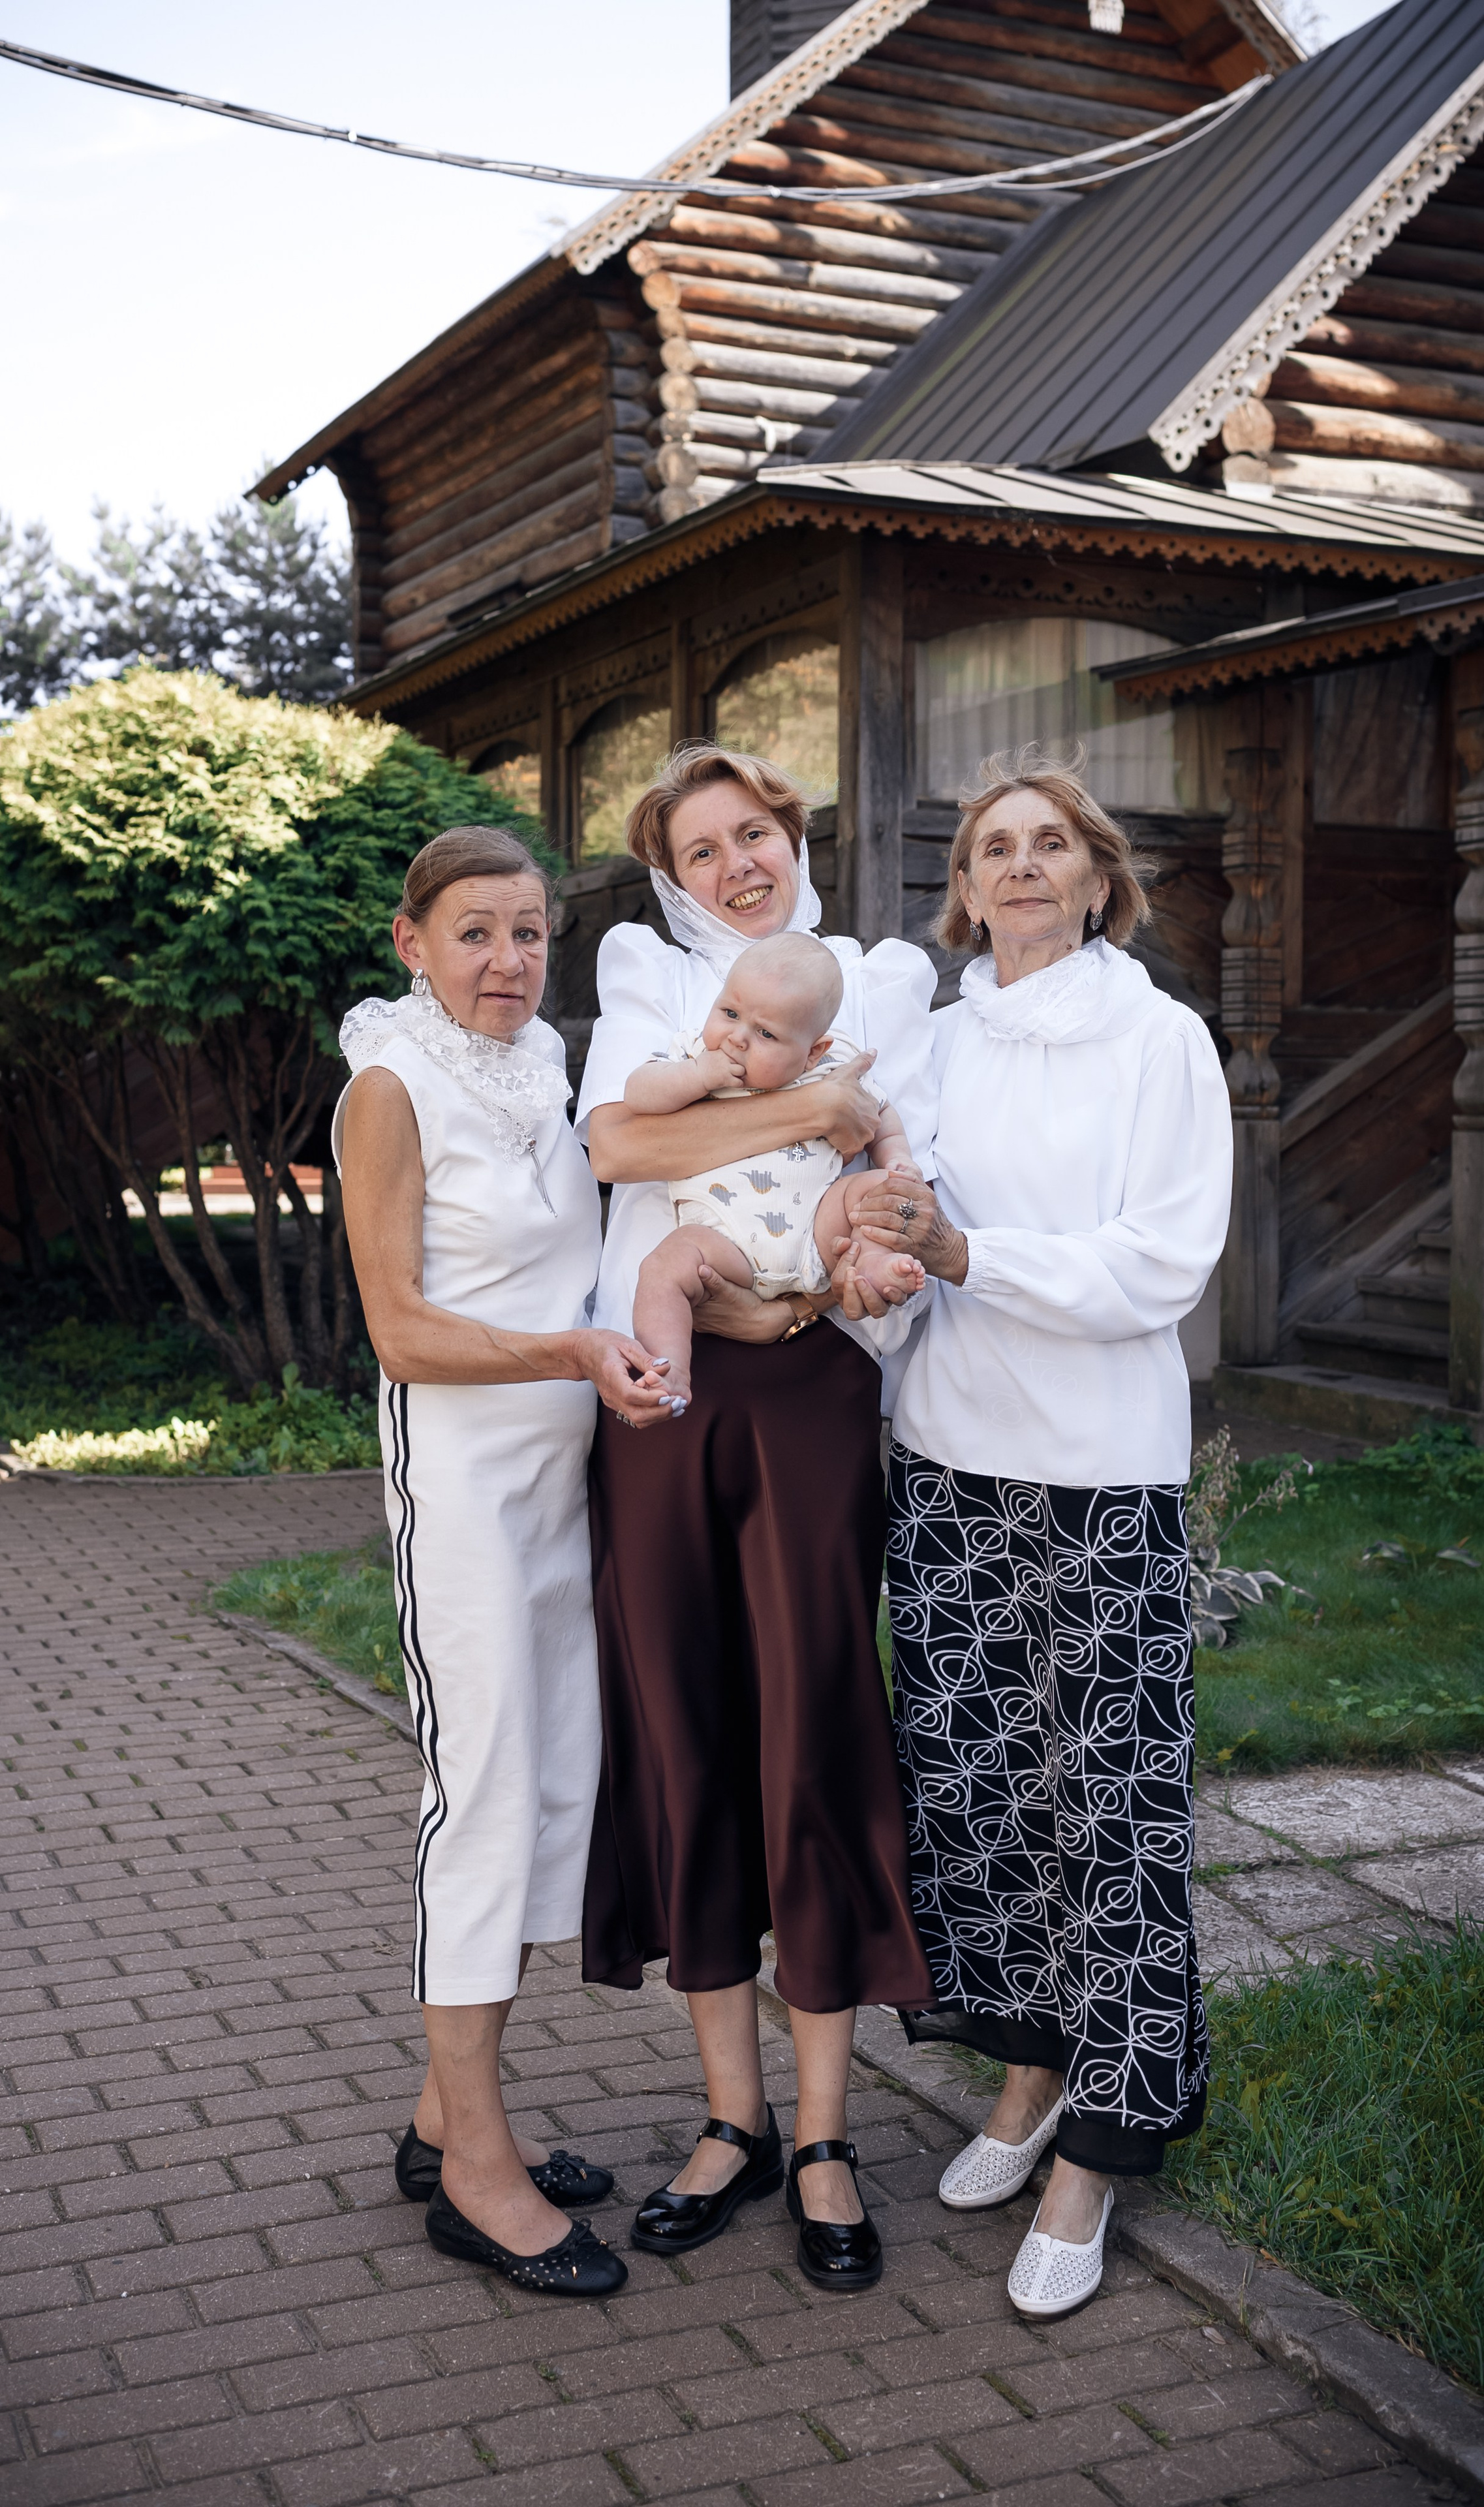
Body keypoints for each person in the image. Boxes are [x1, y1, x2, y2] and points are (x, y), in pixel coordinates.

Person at [846, 749, 1231, 2322]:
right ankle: (1022, 2076)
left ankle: (1102, 2140)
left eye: (1044, 844)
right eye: (989, 846)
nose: (1014, 866)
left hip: (1097, 1477)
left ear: (1093, 874)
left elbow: (1160, 1264)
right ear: (962, 885)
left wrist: (964, 1251)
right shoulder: (929, 1047)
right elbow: (886, 1213)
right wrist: (871, 1277)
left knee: (1113, 1817)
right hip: (944, 1466)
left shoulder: (1159, 1041)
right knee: (984, 1800)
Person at [578, 740, 937, 2296]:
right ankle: (726, 2117)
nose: (735, 864)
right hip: (663, 1393)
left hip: (805, 1390)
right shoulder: (641, 975)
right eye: (700, 848)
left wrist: (780, 1113)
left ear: (791, 832)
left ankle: (824, 2133)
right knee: (687, 1727)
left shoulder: (882, 974)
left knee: (811, 1728)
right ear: (670, 873)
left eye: (754, 833)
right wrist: (797, 1096)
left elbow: (880, 1154)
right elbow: (614, 1146)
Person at [335, 824, 676, 2299]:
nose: (507, 960)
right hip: (466, 1491)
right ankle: (475, 2169)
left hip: (566, 1484)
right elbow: (400, 1329)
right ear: (410, 941)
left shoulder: (542, 1067)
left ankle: (441, 2113)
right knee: (476, 1799)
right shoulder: (387, 1086)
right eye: (475, 931)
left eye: (529, 931)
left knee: (550, 1788)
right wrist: (567, 1349)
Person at [626, 929, 927, 1404]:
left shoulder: (834, 1069)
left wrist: (899, 1162)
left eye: (766, 1033)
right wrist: (696, 1075)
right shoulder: (693, 1055)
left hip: (819, 1232)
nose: (738, 1039)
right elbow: (637, 1093)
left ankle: (869, 1264)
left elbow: (882, 1114)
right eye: (729, 1013)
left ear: (813, 1051)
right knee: (663, 1267)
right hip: (722, 1242)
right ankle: (668, 1368)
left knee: (878, 1192)